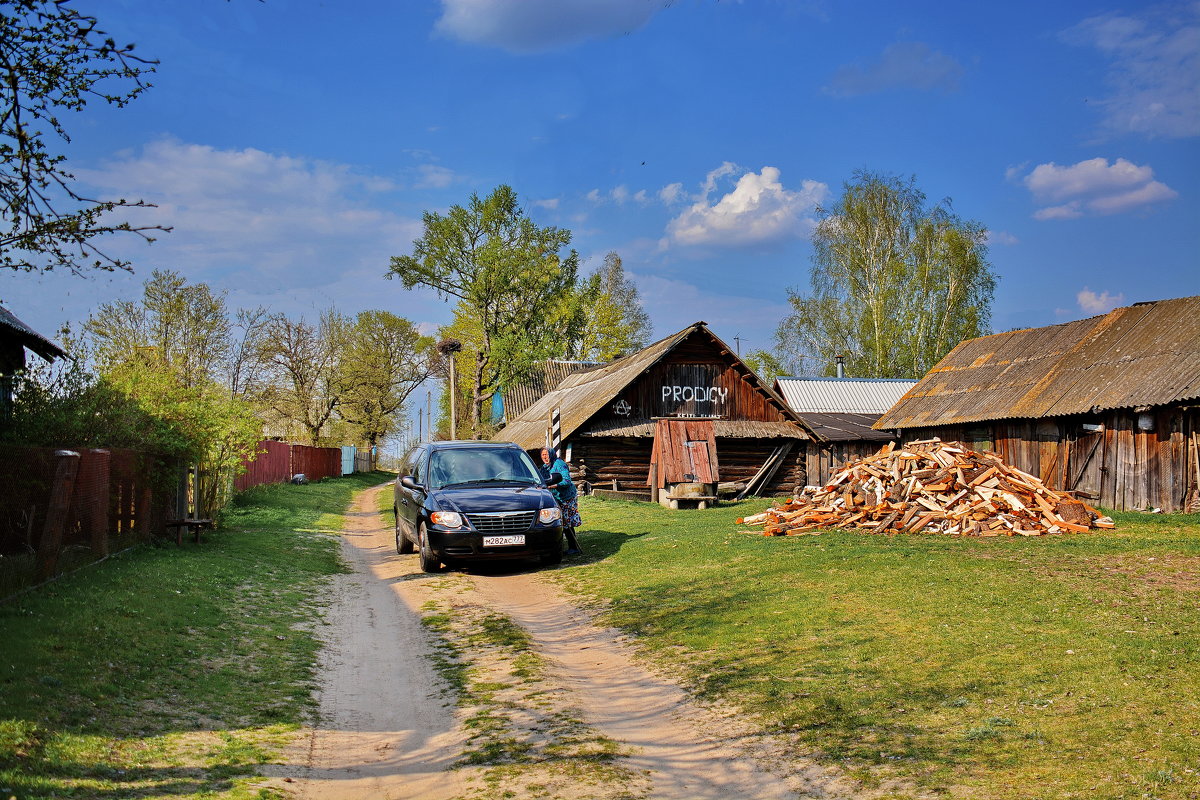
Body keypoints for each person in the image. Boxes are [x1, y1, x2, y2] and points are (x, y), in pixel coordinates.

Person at [540, 446, 582, 555]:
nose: (545, 457)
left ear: (552, 454)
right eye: (543, 454)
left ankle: (573, 547)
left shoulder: (559, 464)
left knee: (567, 522)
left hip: (566, 497)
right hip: (554, 498)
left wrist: (555, 485)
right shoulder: (544, 468)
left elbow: (567, 481)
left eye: (547, 454)